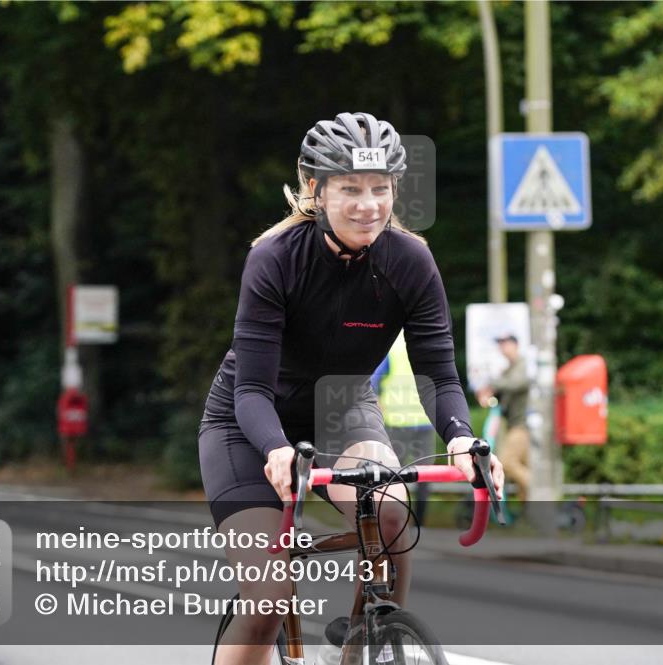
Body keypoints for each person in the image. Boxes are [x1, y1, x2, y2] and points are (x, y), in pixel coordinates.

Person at [198, 112, 504, 664]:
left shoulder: (409, 260)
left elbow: (438, 372)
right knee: (268, 600)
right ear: (315, 189)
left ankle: (372, 646)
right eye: (350, 189)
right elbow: (252, 393)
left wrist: (462, 439)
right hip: (248, 427)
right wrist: (276, 451)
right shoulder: (274, 259)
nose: (369, 205)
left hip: (342, 408)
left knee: (390, 513)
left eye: (380, 189)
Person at [370, 329, 435, 526]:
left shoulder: (392, 344)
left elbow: (374, 380)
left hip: (396, 421)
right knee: (425, 474)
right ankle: (420, 524)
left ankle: (395, 520)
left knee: (392, 475)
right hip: (424, 419)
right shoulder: (429, 338)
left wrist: (377, 406)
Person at [475, 333, 531, 501]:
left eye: (505, 343)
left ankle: (540, 491)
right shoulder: (509, 368)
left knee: (508, 463)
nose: (502, 347)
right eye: (500, 344)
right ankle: (532, 516)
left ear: (515, 345)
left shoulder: (522, 366)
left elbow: (515, 383)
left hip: (523, 425)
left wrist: (490, 385)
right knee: (522, 467)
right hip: (516, 425)